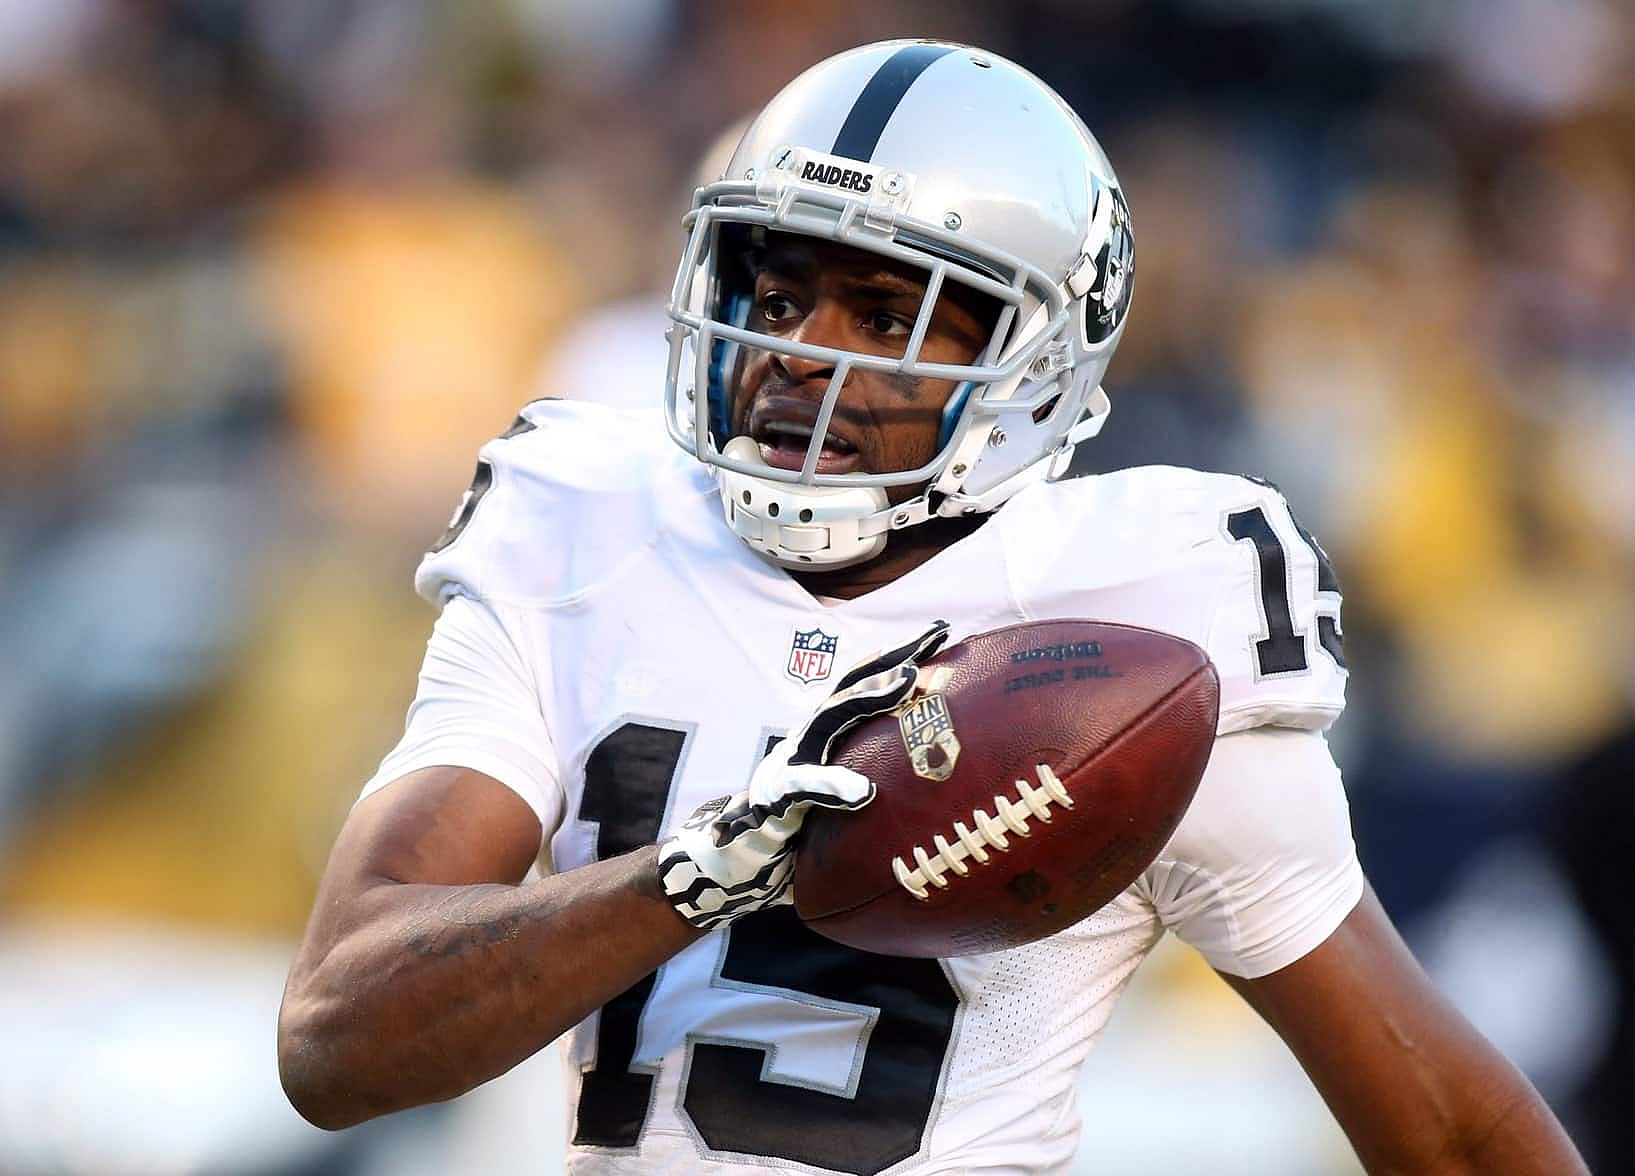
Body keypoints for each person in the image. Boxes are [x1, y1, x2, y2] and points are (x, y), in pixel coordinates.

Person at [277, 40, 1585, 1174]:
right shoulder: (589, 522)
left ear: (1036, 361)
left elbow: (1455, 1136)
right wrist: (695, 880)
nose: (797, 351)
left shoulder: (1129, 647)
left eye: (887, 311)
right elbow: (334, 1043)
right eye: (778, 294)